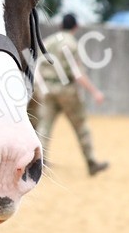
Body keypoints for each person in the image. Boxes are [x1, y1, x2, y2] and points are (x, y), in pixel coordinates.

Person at [31, 12, 109, 177]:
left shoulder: (49, 41)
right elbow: (77, 73)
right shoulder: (71, 44)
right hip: (66, 90)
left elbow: (36, 65)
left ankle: (38, 164)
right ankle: (91, 161)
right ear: (75, 27)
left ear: (60, 26)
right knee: (81, 126)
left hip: (47, 90)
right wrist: (94, 92)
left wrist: (40, 86)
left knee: (44, 127)